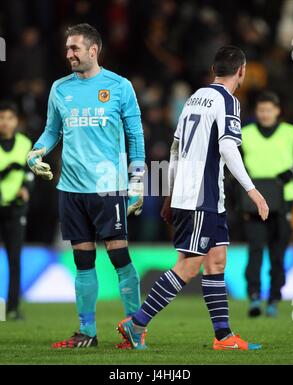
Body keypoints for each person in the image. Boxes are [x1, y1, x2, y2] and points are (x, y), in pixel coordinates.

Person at [117, 46, 269, 351]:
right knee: (189, 265)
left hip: (202, 195)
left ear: (214, 70)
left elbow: (175, 149)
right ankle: (137, 324)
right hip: (201, 195)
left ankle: (224, 337)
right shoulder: (228, 101)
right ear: (242, 71)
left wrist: (169, 193)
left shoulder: (193, 98)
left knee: (217, 260)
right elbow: (228, 148)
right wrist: (252, 189)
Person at [27, 23, 145, 349]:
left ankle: (137, 328)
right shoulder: (59, 89)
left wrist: (138, 181)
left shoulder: (120, 87)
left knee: (119, 257)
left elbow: (136, 136)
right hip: (70, 188)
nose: (69, 54)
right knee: (82, 261)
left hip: (108, 186)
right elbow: (52, 131)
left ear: (93, 50)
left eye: (75, 49)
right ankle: (87, 332)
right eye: (67, 49)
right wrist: (35, 152)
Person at [241, 91, 293, 317]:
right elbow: (235, 165)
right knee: (255, 249)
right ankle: (254, 296)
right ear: (257, 111)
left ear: (277, 111)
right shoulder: (245, 134)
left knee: (278, 252)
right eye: (261, 110)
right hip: (254, 201)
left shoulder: (291, 133)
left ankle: (274, 297)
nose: (265, 114)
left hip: (283, 201)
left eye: (269, 110)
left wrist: (290, 173)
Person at [0, 101, 34, 320]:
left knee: (15, 258)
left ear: (16, 121)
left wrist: (26, 188)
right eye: (2, 118)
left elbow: (31, 172)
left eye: (9, 118)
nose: (5, 122)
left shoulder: (25, 143)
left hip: (16, 209)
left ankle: (12, 308)